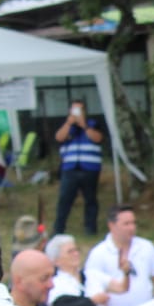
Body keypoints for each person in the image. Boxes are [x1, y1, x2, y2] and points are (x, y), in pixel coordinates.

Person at [83, 204, 154, 306]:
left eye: (133, 223)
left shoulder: (146, 247)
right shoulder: (98, 253)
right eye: (126, 224)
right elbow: (92, 285)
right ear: (111, 225)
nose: (131, 228)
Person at [53, 100, 104, 236]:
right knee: (65, 199)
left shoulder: (94, 123)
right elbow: (59, 137)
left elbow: (98, 138)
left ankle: (90, 229)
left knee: (90, 199)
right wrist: (69, 123)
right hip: (70, 168)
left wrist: (84, 125)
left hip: (90, 168)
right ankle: (59, 229)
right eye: (74, 110)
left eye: (79, 110)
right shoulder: (67, 126)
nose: (76, 113)